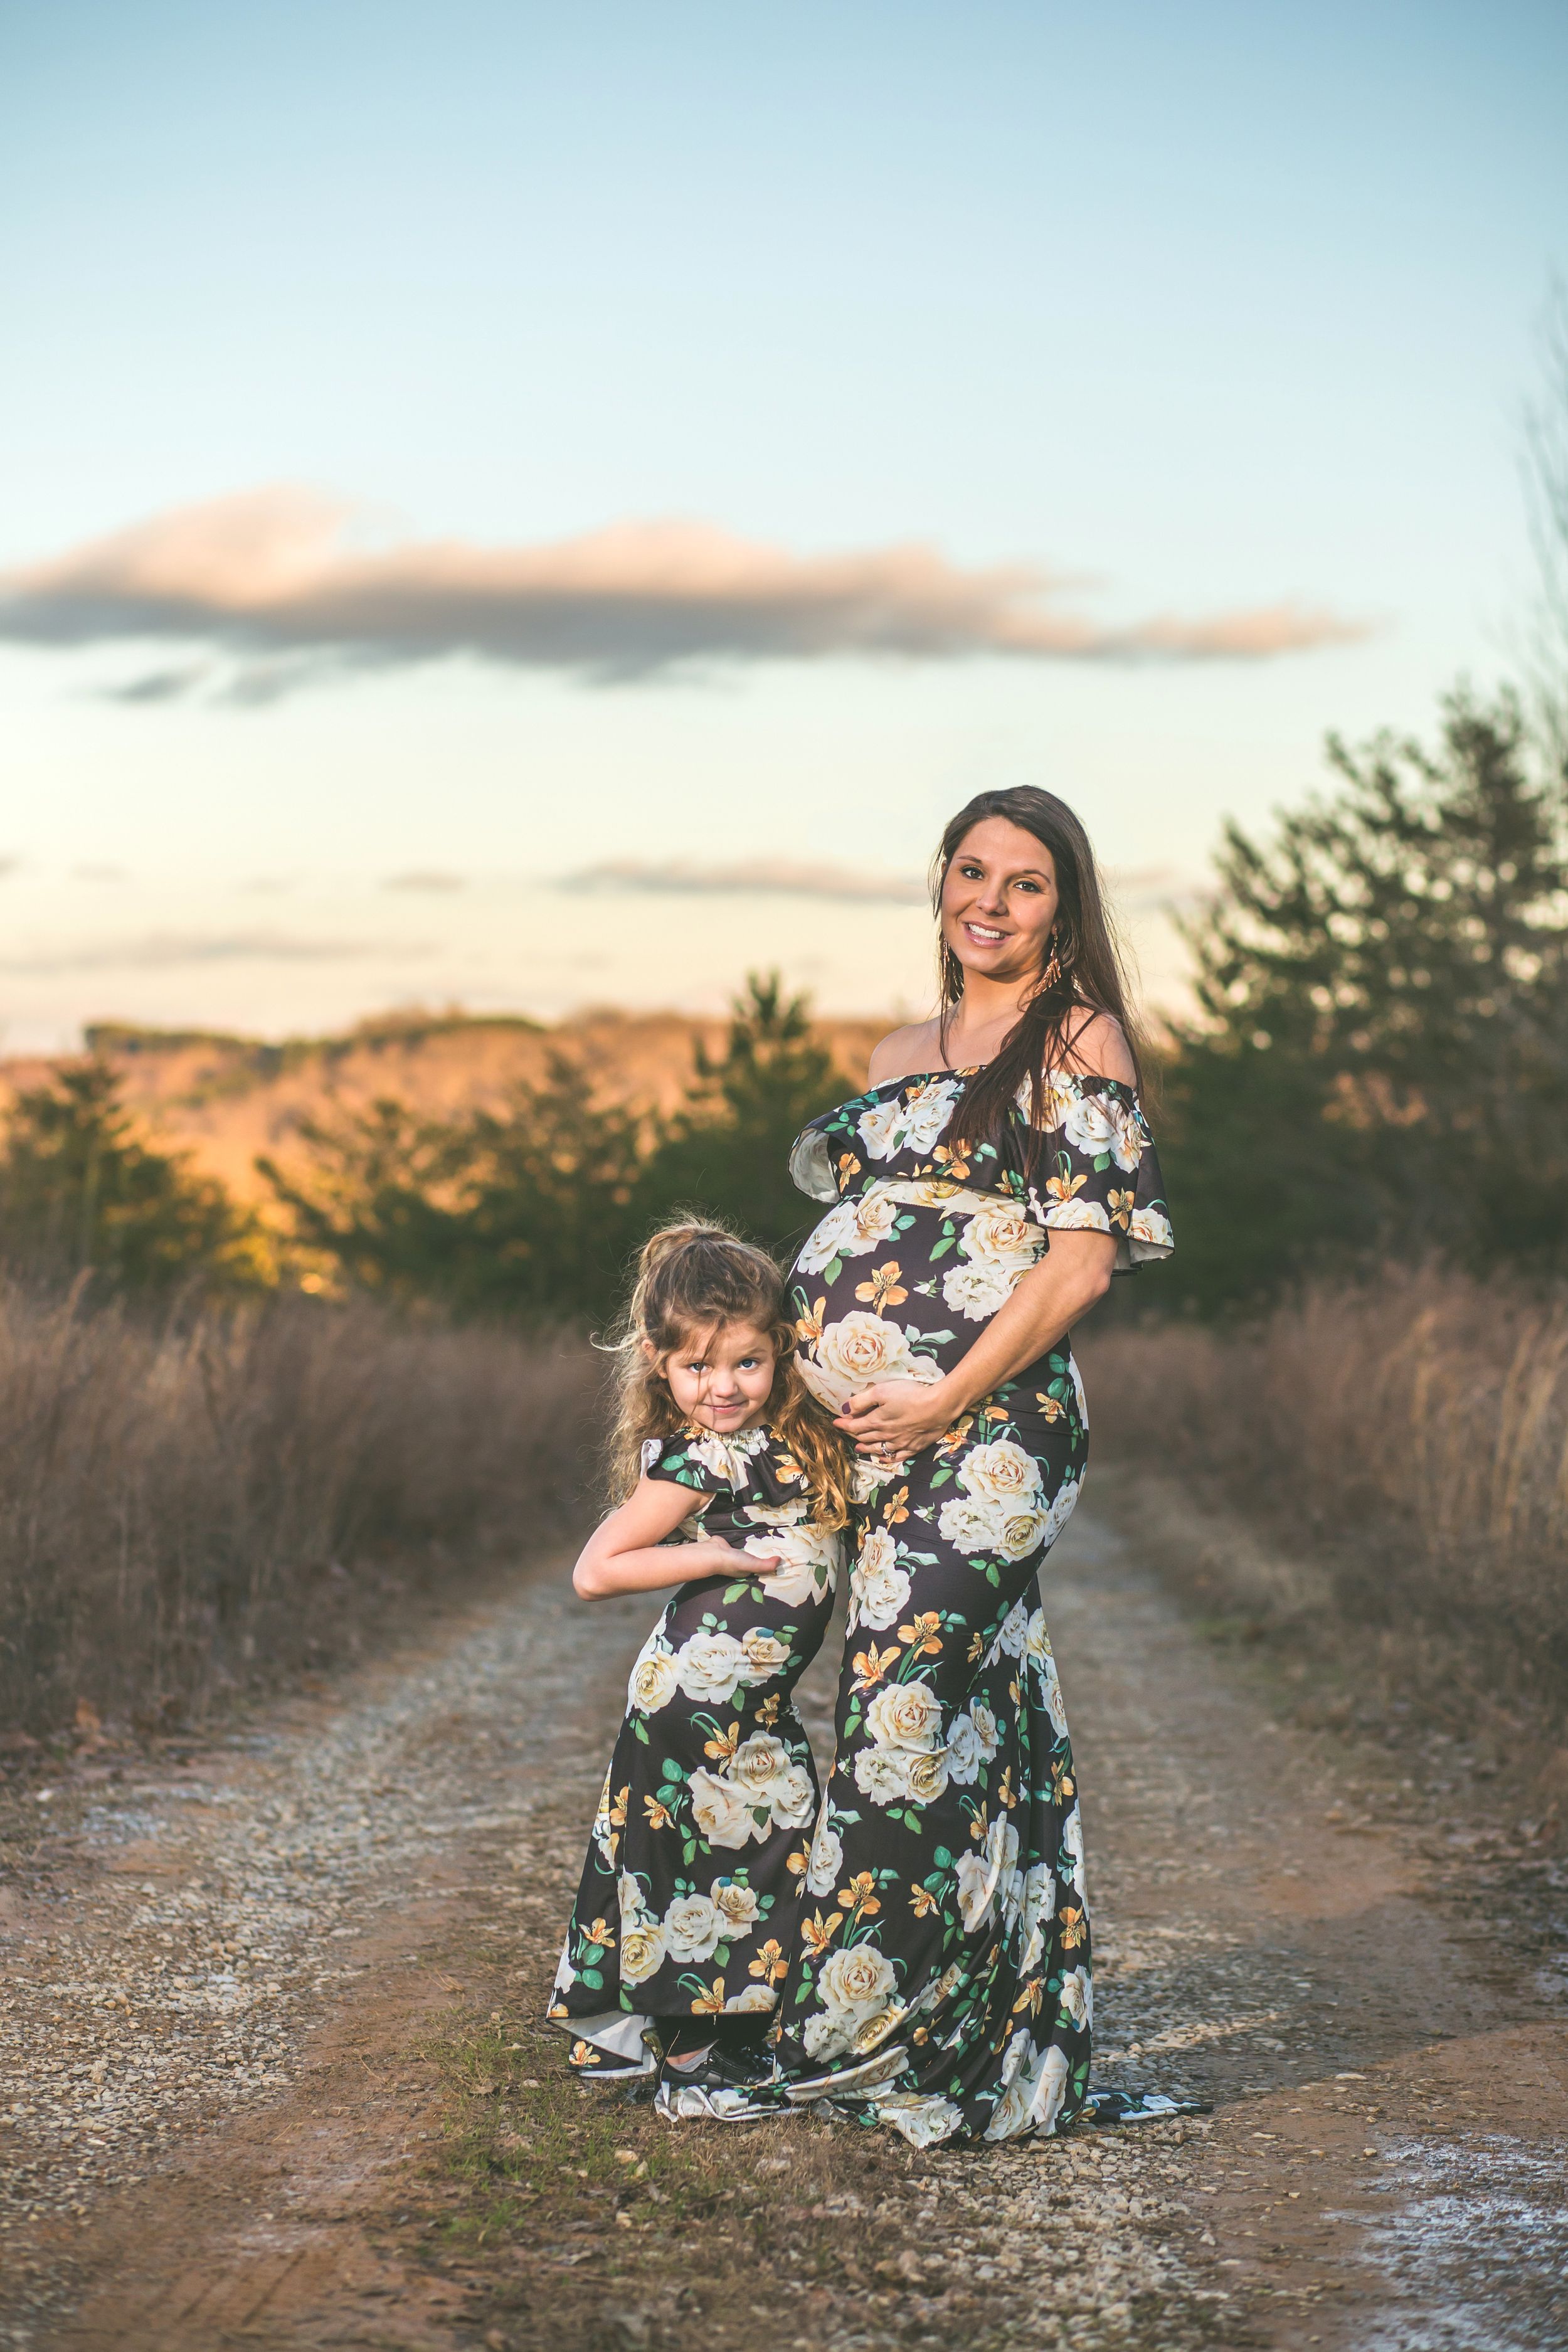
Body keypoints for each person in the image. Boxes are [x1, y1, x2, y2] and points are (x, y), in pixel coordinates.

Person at [712, 785, 1187, 2144]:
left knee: (901, 1702)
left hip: (995, 1428)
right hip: (872, 1438)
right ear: (938, 886)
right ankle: (998, 2028)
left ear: (1063, 908)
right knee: (958, 1708)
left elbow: (1079, 1262)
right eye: (969, 872)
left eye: (1024, 883)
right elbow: (874, 1240)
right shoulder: (891, 1050)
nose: (989, 901)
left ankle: (866, 2039)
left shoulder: (1078, 1037)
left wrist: (942, 1395)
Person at [547, 1222, 852, 2117]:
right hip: (699, 1696)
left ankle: (632, 2036)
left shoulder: (780, 1438)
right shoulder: (701, 1455)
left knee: (712, 1843)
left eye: (747, 1364)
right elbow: (596, 1568)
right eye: (698, 1369)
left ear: (780, 1354)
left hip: (732, 1695)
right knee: (725, 1851)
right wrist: (713, 1558)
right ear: (658, 1363)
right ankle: (691, 2070)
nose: (722, 1388)